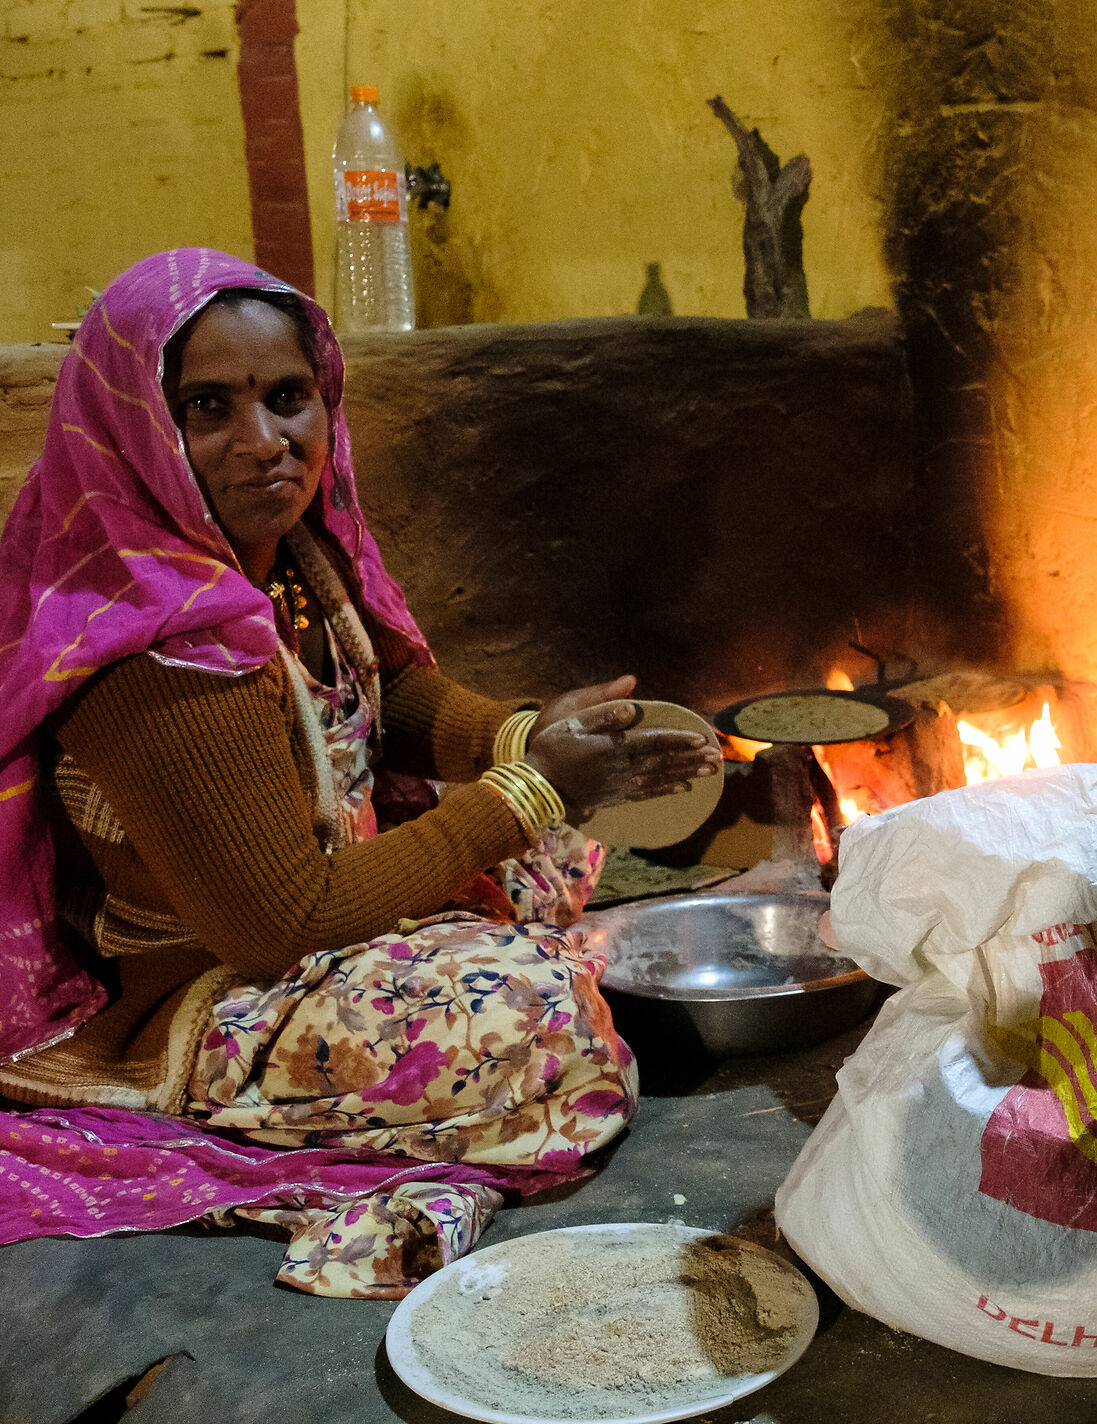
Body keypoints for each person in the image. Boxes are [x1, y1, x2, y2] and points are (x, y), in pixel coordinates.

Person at [0, 250, 718, 1293]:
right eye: (209, 407)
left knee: (558, 850)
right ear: (136, 432)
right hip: (215, 987)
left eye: (287, 398)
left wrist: (521, 737)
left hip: (325, 911)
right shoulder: (151, 647)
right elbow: (281, 920)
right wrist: (526, 793)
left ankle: (479, 977)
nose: (265, 443)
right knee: (538, 1020)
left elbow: (386, 704)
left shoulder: (289, 561)